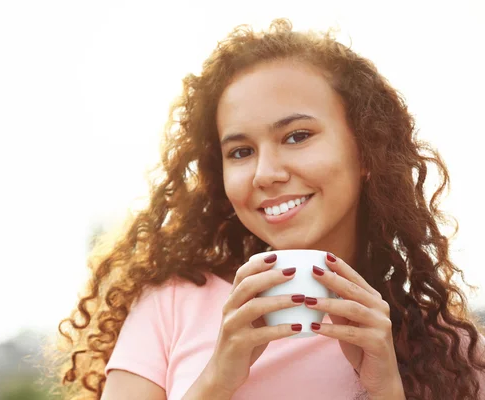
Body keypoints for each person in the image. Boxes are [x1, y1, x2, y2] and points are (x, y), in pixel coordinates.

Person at [51, 19, 485, 399]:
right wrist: (216, 382)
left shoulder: (452, 353)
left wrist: (385, 391)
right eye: (240, 151)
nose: (265, 173)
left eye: (297, 136)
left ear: (367, 151)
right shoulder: (170, 306)